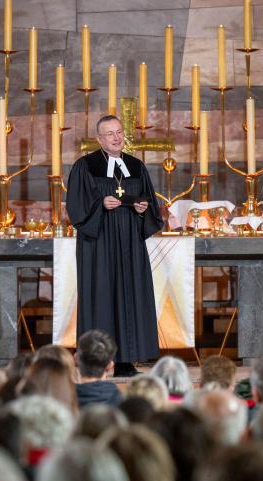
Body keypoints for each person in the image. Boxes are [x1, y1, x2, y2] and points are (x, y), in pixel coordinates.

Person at [66, 114, 164, 376]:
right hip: (99, 243)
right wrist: (101, 205)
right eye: (110, 134)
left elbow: (150, 204)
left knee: (130, 293)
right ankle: (98, 360)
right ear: (99, 139)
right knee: (103, 296)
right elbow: (76, 207)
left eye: (119, 132)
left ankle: (127, 360)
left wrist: (142, 208)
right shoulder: (85, 166)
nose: (116, 137)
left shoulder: (136, 166)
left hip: (130, 242)